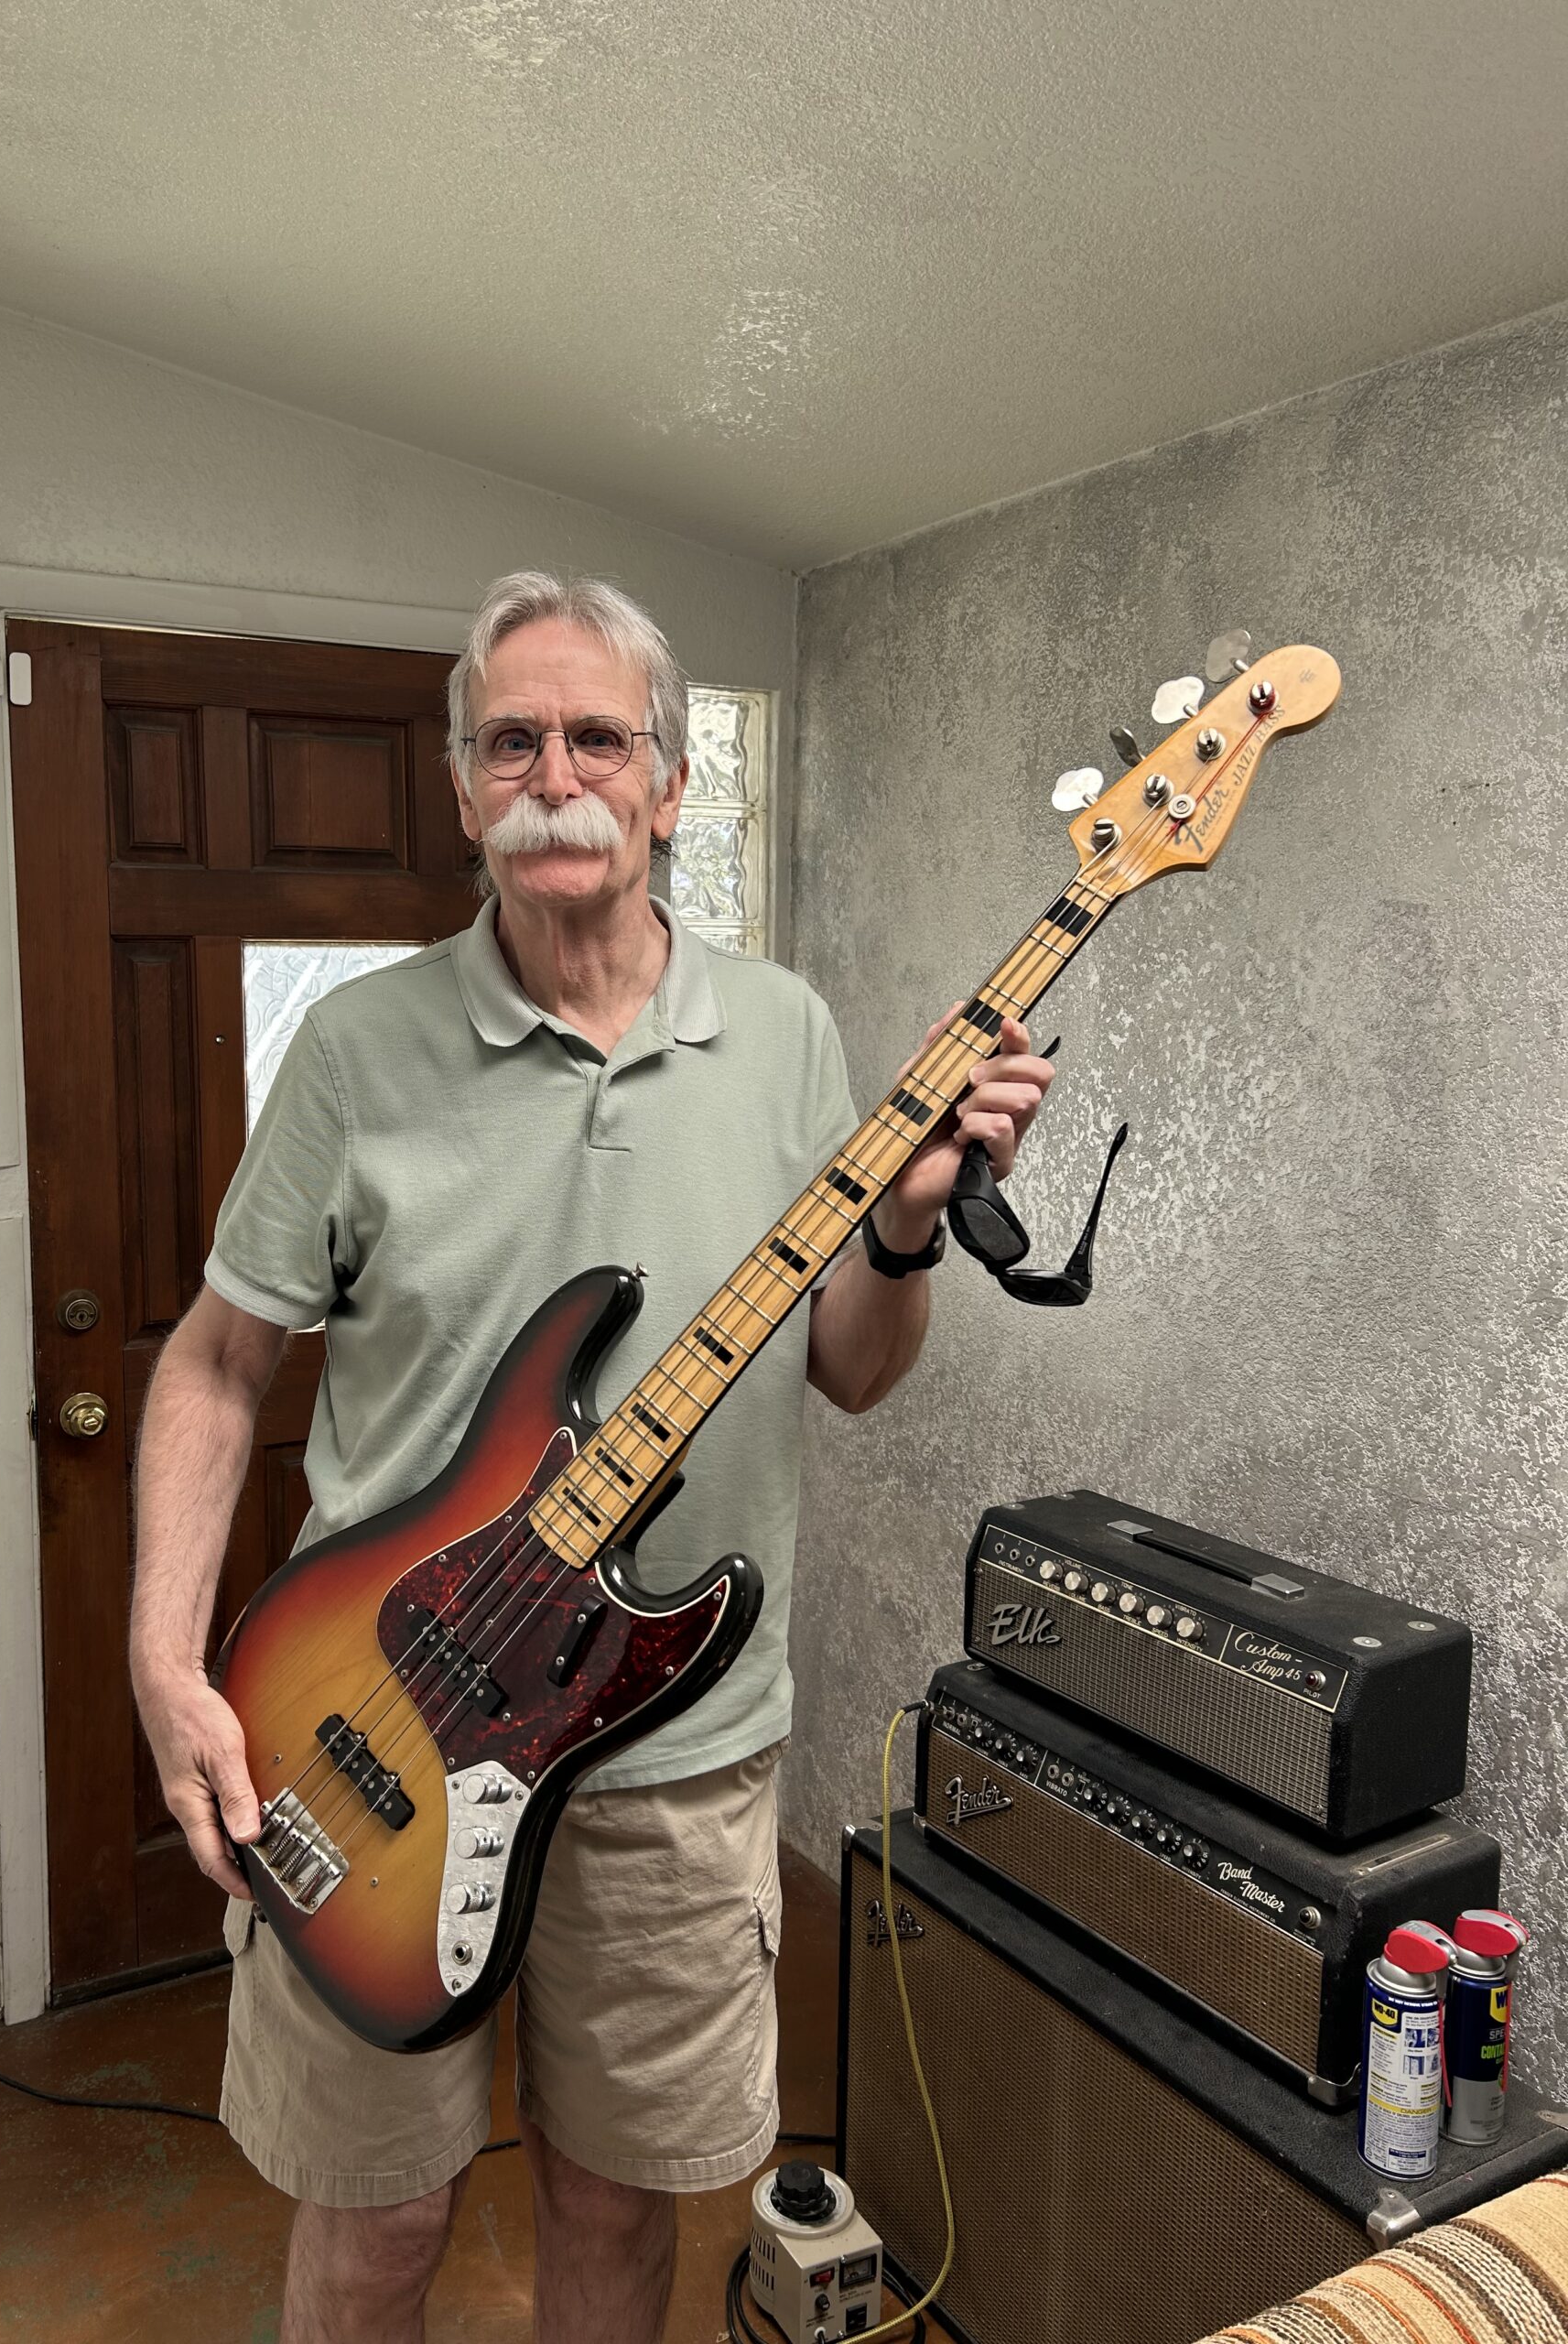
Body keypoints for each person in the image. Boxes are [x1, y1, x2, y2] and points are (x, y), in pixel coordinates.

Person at [129, 570, 1054, 2344]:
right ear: (462, 785)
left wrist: (908, 1230)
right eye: (513, 741)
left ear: (671, 783)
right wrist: (168, 1665)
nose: (556, 775)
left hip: (670, 1748)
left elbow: (853, 1369)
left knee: (617, 2208)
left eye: (599, 739)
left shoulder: (787, 1035)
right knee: (375, 2222)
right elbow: (218, 1361)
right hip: (363, 1722)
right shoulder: (357, 1050)